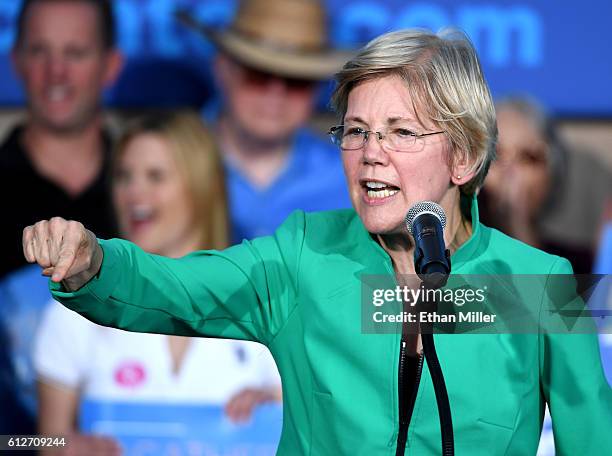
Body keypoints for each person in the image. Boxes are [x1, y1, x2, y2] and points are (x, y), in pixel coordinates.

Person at [23, 29, 612, 455]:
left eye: (401, 132)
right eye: (355, 131)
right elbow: (174, 289)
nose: (370, 152)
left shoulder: (539, 287)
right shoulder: (303, 256)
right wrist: (93, 262)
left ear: (462, 155)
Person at [32, 112, 281, 455]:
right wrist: (66, 447)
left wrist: (276, 406)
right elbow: (34, 442)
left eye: (155, 176)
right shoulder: (71, 306)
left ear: (200, 186)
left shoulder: (263, 300)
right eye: (123, 177)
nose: (134, 194)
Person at [177, 0, 353, 243]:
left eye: (296, 79)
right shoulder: (164, 161)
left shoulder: (349, 176)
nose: (276, 94)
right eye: (258, 75)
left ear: (315, 89)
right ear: (222, 69)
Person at [0, 0, 123, 278]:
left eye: (75, 53)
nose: (56, 71)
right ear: (16, 61)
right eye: (39, 51)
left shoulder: (151, 195)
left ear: (112, 65)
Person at [479, 97, 611, 273]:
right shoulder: (445, 250)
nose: (511, 172)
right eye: (496, 155)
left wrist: (518, 227)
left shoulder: (577, 264)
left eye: (529, 157)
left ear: (553, 172)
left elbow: (547, 299)